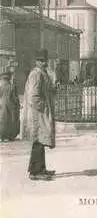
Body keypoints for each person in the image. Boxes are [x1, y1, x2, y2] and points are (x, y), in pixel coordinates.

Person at [22, 49, 56, 181]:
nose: (44, 62)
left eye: (45, 60)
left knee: (41, 141)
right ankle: (35, 172)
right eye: (41, 60)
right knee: (38, 141)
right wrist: (42, 108)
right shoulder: (36, 74)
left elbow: (45, 90)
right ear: (36, 61)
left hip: (41, 112)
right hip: (37, 113)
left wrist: (53, 89)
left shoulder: (43, 73)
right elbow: (33, 96)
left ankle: (41, 169)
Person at [0, 66, 20, 142]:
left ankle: (1, 136)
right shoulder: (11, 86)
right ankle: (9, 136)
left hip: (1, 104)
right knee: (9, 120)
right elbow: (14, 98)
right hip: (9, 105)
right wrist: (17, 104)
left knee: (1, 119)